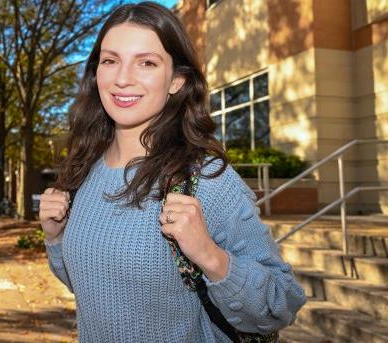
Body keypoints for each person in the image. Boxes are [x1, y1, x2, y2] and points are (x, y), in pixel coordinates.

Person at [39, 2, 306, 342]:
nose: (122, 78)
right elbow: (91, 288)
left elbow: (281, 303)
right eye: (110, 61)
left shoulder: (206, 179)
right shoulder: (82, 173)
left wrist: (211, 256)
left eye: (146, 63)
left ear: (177, 79)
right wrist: (56, 238)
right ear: (97, 72)